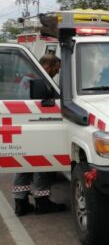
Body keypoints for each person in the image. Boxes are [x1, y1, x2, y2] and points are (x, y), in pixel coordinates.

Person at [13, 54, 66, 216]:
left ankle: (20, 203)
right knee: (43, 165)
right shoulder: (40, 82)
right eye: (56, 69)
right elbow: (46, 104)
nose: (57, 73)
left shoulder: (27, 79)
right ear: (48, 67)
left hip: (23, 124)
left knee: (24, 165)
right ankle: (42, 203)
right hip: (36, 125)